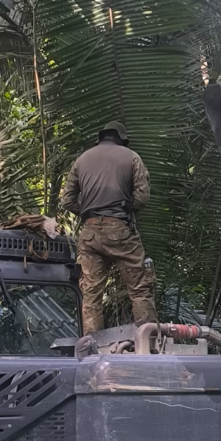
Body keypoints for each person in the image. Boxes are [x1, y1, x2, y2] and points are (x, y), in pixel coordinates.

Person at [61, 121, 158, 334]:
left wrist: (88, 212)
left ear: (101, 137)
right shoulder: (131, 157)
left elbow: (67, 201)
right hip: (120, 230)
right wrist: (122, 210)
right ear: (121, 139)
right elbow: (142, 197)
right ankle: (149, 342)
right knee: (140, 289)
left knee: (91, 293)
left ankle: (91, 347)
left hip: (90, 234)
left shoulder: (82, 160)